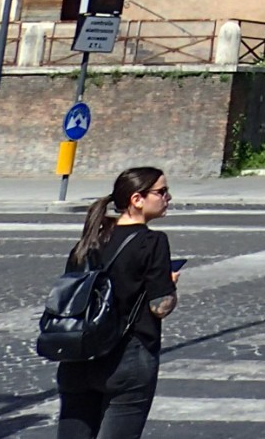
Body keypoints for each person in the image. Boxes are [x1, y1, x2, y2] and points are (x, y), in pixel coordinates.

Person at [55, 165, 178, 438]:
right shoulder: (152, 241)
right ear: (137, 199)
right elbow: (160, 306)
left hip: (77, 355)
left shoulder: (88, 240)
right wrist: (170, 284)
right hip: (126, 356)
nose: (168, 198)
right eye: (162, 191)